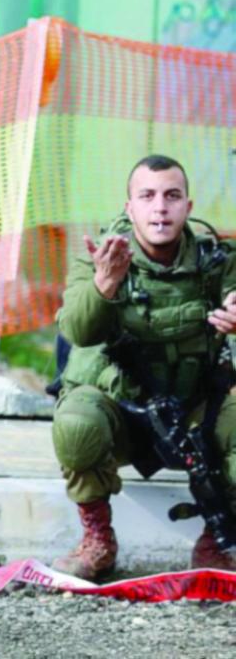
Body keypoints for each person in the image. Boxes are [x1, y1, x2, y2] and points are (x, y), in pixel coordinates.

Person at [51, 154, 236, 579]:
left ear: (188, 206)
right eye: (147, 196)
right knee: (76, 421)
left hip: (195, 413)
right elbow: (77, 329)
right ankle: (97, 540)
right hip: (121, 412)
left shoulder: (217, 262)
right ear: (129, 207)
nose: (160, 208)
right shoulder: (98, 259)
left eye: (172, 196)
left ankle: (216, 541)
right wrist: (104, 284)